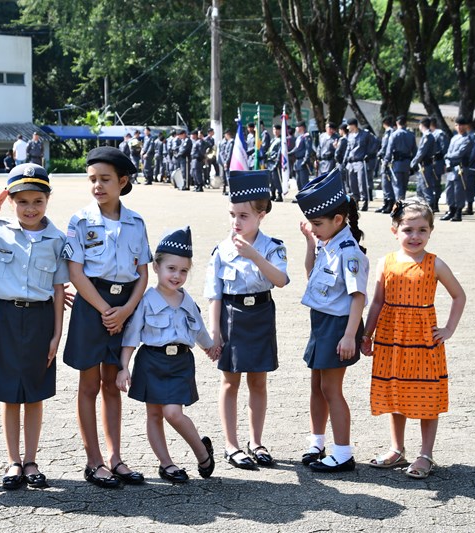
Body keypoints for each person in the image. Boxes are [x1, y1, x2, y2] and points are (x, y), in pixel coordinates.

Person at [0, 163, 67, 490]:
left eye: (37, 200)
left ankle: (32, 460)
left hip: (40, 320)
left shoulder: (57, 238)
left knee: (35, 394)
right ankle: (13, 461)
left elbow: (57, 291)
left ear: (48, 200)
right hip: (5, 318)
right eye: (21, 201)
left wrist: (57, 334)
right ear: (10, 201)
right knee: (10, 395)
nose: (30, 208)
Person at [62, 146, 152, 488]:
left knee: (113, 385)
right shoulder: (80, 220)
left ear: (122, 181)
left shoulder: (136, 221)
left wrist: (126, 310)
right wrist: (104, 310)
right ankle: (94, 461)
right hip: (92, 306)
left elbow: (143, 273)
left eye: (105, 179)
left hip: (123, 306)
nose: (97, 186)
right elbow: (75, 270)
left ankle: (116, 458)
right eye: (92, 180)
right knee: (88, 385)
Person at [361, 199, 466, 479]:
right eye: (408, 229)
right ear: (394, 229)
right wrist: (367, 335)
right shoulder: (387, 262)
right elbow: (377, 302)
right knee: (397, 391)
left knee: (427, 395)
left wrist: (448, 329)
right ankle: (397, 449)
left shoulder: (435, 263)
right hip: (391, 338)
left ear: (431, 231)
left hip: (423, 340)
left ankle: (425, 454)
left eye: (422, 230)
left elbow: (459, 295)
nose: (415, 236)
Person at [116, 227, 219, 483]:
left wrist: (210, 347)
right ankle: (166, 464)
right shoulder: (146, 300)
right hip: (151, 361)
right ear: (156, 268)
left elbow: (199, 329)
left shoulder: (187, 301)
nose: (177, 275)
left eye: (183, 271)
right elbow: (131, 335)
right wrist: (124, 367)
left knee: (173, 413)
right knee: (153, 414)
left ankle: (202, 454)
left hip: (181, 362)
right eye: (171, 268)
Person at [204, 170, 289, 471]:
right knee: (230, 381)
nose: (236, 222)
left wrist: (255, 256)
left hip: (261, 315)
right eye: (232, 215)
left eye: (244, 215)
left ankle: (257, 441)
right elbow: (214, 294)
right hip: (232, 316)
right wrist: (214, 331)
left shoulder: (271, 246)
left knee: (259, 381)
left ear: (261, 215)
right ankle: (231, 444)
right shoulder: (221, 250)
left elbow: (281, 280)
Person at [294, 169, 369, 473]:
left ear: (338, 220)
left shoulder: (349, 252)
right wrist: (311, 243)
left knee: (332, 389)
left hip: (339, 327)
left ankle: (342, 452)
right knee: (317, 385)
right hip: (321, 323)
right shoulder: (328, 243)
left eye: (317, 224)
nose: (314, 229)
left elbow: (358, 297)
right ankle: (317, 442)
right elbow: (311, 275)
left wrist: (350, 336)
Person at [442, 116, 474, 222]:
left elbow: (460, 153)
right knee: (449, 190)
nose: (459, 127)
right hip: (451, 167)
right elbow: (448, 152)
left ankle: (458, 212)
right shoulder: (454, 138)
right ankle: (451, 210)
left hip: (460, 168)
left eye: (461, 125)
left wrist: (448, 156)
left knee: (458, 191)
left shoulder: (468, 139)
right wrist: (447, 161)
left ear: (465, 126)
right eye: (457, 125)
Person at [384, 116, 417, 202]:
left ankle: (399, 205)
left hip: (397, 164)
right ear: (406, 123)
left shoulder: (394, 135)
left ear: (397, 123)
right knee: (404, 186)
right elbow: (415, 151)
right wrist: (413, 165)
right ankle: (403, 203)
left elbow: (389, 151)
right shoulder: (411, 135)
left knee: (397, 186)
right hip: (407, 163)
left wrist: (385, 163)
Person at [343, 118, 373, 211]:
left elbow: (375, 143)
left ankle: (364, 201)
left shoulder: (365, 134)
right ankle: (355, 202)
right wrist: (344, 160)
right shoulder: (349, 136)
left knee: (361, 182)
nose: (347, 128)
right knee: (352, 184)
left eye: (349, 126)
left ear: (353, 125)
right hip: (351, 162)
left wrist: (369, 154)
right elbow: (348, 149)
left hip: (360, 161)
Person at [411, 118, 436, 208]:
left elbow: (421, 152)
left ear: (421, 125)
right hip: (422, 166)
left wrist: (412, 163)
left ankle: (430, 208)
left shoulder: (427, 136)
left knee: (426, 188)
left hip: (425, 166)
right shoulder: (428, 136)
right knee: (420, 189)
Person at [429, 118, 449, 214]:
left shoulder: (440, 133)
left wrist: (445, 163)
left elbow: (444, 149)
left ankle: (435, 203)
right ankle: (431, 203)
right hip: (430, 162)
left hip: (437, 162)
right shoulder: (430, 134)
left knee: (436, 183)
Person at [376, 117, 396, 213]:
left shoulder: (390, 133)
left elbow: (386, 147)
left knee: (386, 182)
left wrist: (380, 153)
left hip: (387, 160)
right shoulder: (389, 132)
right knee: (385, 183)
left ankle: (389, 204)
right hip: (385, 159)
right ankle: (386, 203)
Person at [266, 124, 284, 202]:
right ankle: (272, 194)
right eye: (274, 130)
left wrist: (277, 162)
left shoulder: (281, 140)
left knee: (276, 179)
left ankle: (279, 194)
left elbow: (280, 152)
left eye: (277, 130)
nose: (275, 131)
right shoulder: (273, 140)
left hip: (275, 162)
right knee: (271, 179)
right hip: (270, 162)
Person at [292, 121, 312, 190]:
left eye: (297, 127)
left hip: (303, 160)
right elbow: (296, 149)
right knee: (298, 181)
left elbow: (308, 149)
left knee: (304, 181)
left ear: (302, 127)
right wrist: (288, 153)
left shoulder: (306, 136)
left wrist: (305, 160)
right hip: (297, 161)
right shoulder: (299, 137)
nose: (296, 128)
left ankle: (305, 197)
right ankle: (300, 196)